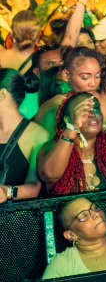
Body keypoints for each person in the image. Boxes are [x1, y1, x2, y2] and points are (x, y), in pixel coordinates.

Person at [0, 70, 47, 203]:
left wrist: (6, 191)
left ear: (2, 94)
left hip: (16, 213)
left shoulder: (38, 134)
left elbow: (34, 187)